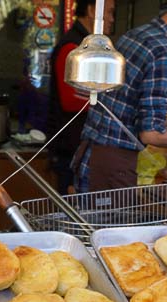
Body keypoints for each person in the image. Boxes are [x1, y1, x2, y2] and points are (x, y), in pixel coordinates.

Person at [72, 0, 167, 193]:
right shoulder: (163, 53)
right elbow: (151, 134)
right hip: (113, 165)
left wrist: (166, 123)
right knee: (106, 223)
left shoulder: (136, 34)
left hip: (91, 155)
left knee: (86, 221)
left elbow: (124, 104)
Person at [48, 0, 116, 193]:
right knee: (70, 208)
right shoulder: (72, 48)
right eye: (109, 12)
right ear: (92, 9)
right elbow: (70, 101)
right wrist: (109, 106)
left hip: (82, 146)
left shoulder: (90, 47)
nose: (112, 19)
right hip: (69, 147)